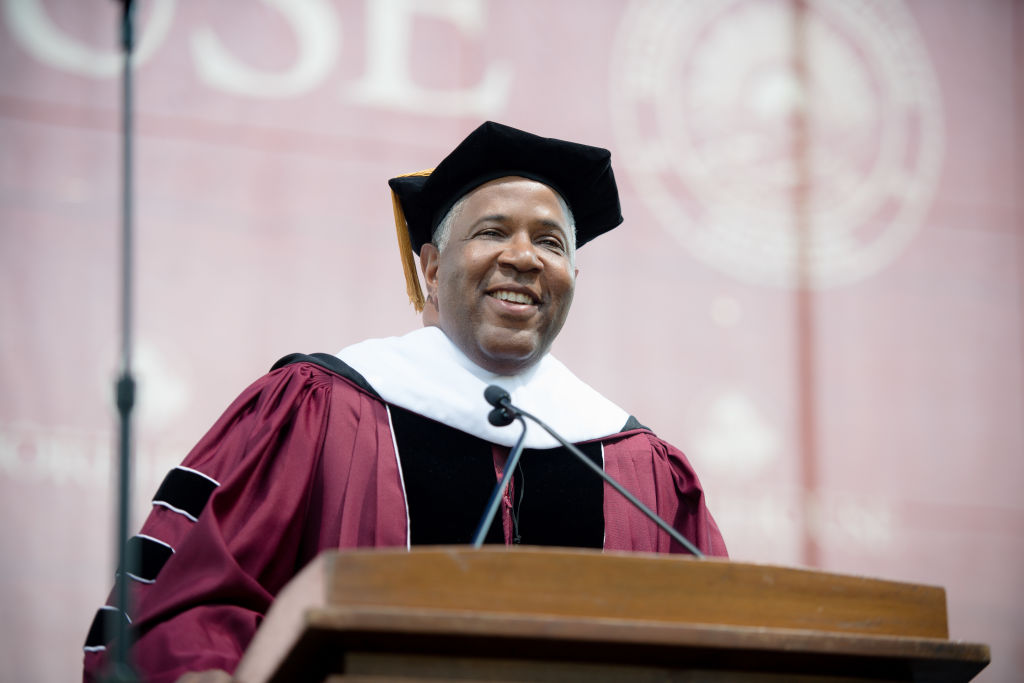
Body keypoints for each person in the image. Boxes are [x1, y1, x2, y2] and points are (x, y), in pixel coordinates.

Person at [83, 121, 727, 682]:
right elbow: (193, 596)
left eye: (552, 243)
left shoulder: (642, 468)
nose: (524, 257)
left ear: (572, 280)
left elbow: (722, 638)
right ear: (429, 268)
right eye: (492, 231)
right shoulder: (319, 407)